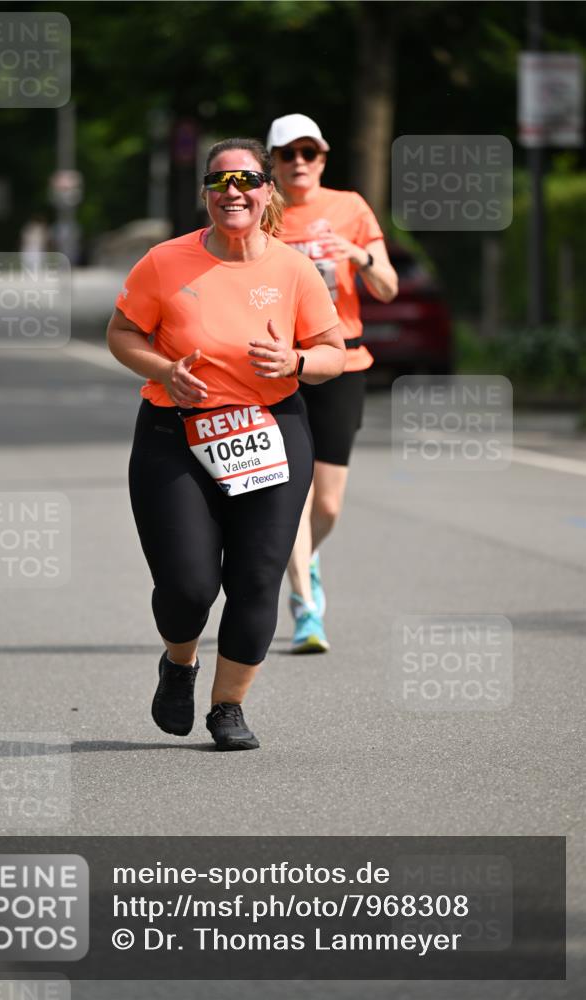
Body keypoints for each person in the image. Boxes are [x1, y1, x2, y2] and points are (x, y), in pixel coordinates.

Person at [107, 138, 345, 751]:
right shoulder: (164, 262)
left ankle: (228, 708)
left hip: (270, 429)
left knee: (258, 578)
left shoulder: (292, 269)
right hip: (175, 433)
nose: (232, 192)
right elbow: (123, 331)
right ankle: (179, 663)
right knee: (188, 587)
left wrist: (293, 358)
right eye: (219, 182)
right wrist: (163, 370)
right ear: (206, 193)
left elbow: (331, 355)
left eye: (245, 180)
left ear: (266, 190)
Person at [266, 113, 398, 653]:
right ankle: (305, 606)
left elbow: (387, 288)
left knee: (328, 506)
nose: (300, 163)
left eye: (310, 152)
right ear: (272, 162)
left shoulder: (350, 208)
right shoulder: (260, 210)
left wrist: (359, 256)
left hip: (342, 362)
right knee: (291, 496)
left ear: (323, 157)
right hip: (280, 365)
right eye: (288, 154)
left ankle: (305, 559)